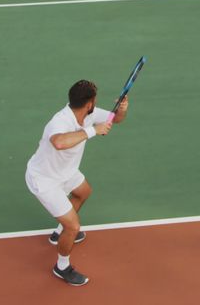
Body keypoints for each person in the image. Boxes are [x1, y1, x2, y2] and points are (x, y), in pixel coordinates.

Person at [25, 80, 129, 286]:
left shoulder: (89, 114)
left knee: (84, 192)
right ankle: (62, 266)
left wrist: (123, 109)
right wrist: (93, 131)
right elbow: (59, 142)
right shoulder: (59, 121)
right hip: (44, 180)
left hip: (66, 172)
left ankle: (59, 232)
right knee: (73, 226)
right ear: (89, 103)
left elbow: (115, 119)